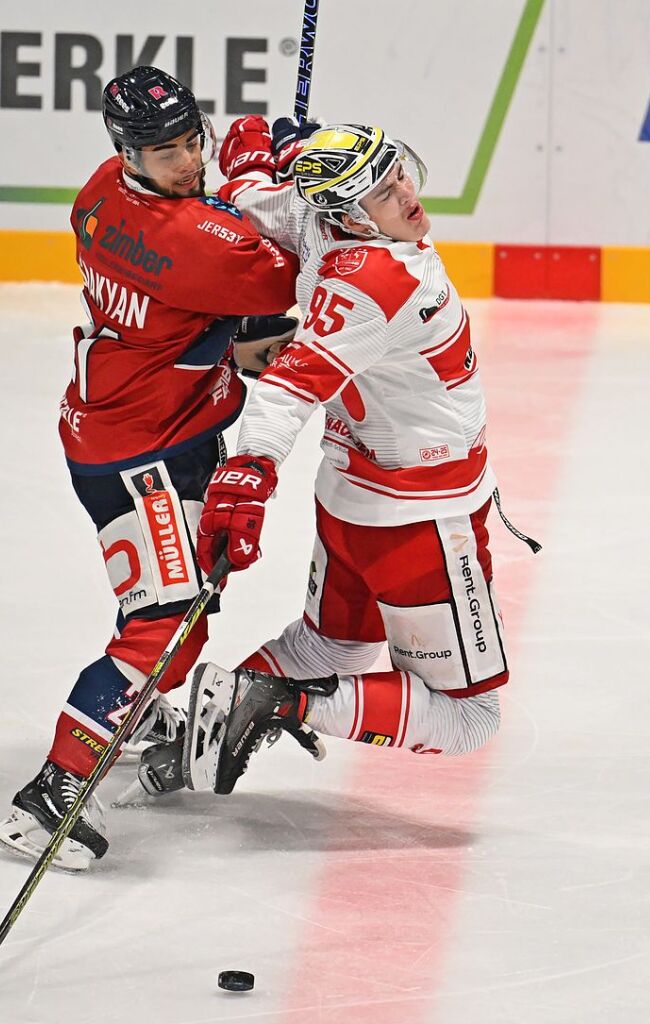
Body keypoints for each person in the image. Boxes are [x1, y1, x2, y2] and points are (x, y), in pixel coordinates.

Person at [0, 69, 316, 872]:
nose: (184, 161)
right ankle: (54, 792)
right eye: (162, 150)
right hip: (140, 452)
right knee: (165, 618)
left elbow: (227, 280)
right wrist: (278, 174)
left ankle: (127, 717)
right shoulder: (189, 242)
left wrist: (248, 178)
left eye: (191, 141)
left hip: (155, 425)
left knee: (191, 603)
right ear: (125, 148)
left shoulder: (100, 193)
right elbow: (293, 268)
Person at [183, 117, 538, 796]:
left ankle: (191, 737)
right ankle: (277, 702)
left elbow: (253, 195)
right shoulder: (382, 283)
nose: (406, 194)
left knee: (329, 648)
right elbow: (289, 385)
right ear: (352, 215)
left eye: (398, 171)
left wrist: (265, 158)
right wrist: (248, 469)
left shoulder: (310, 215)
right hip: (419, 516)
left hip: (351, 498)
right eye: (382, 193)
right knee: (466, 718)